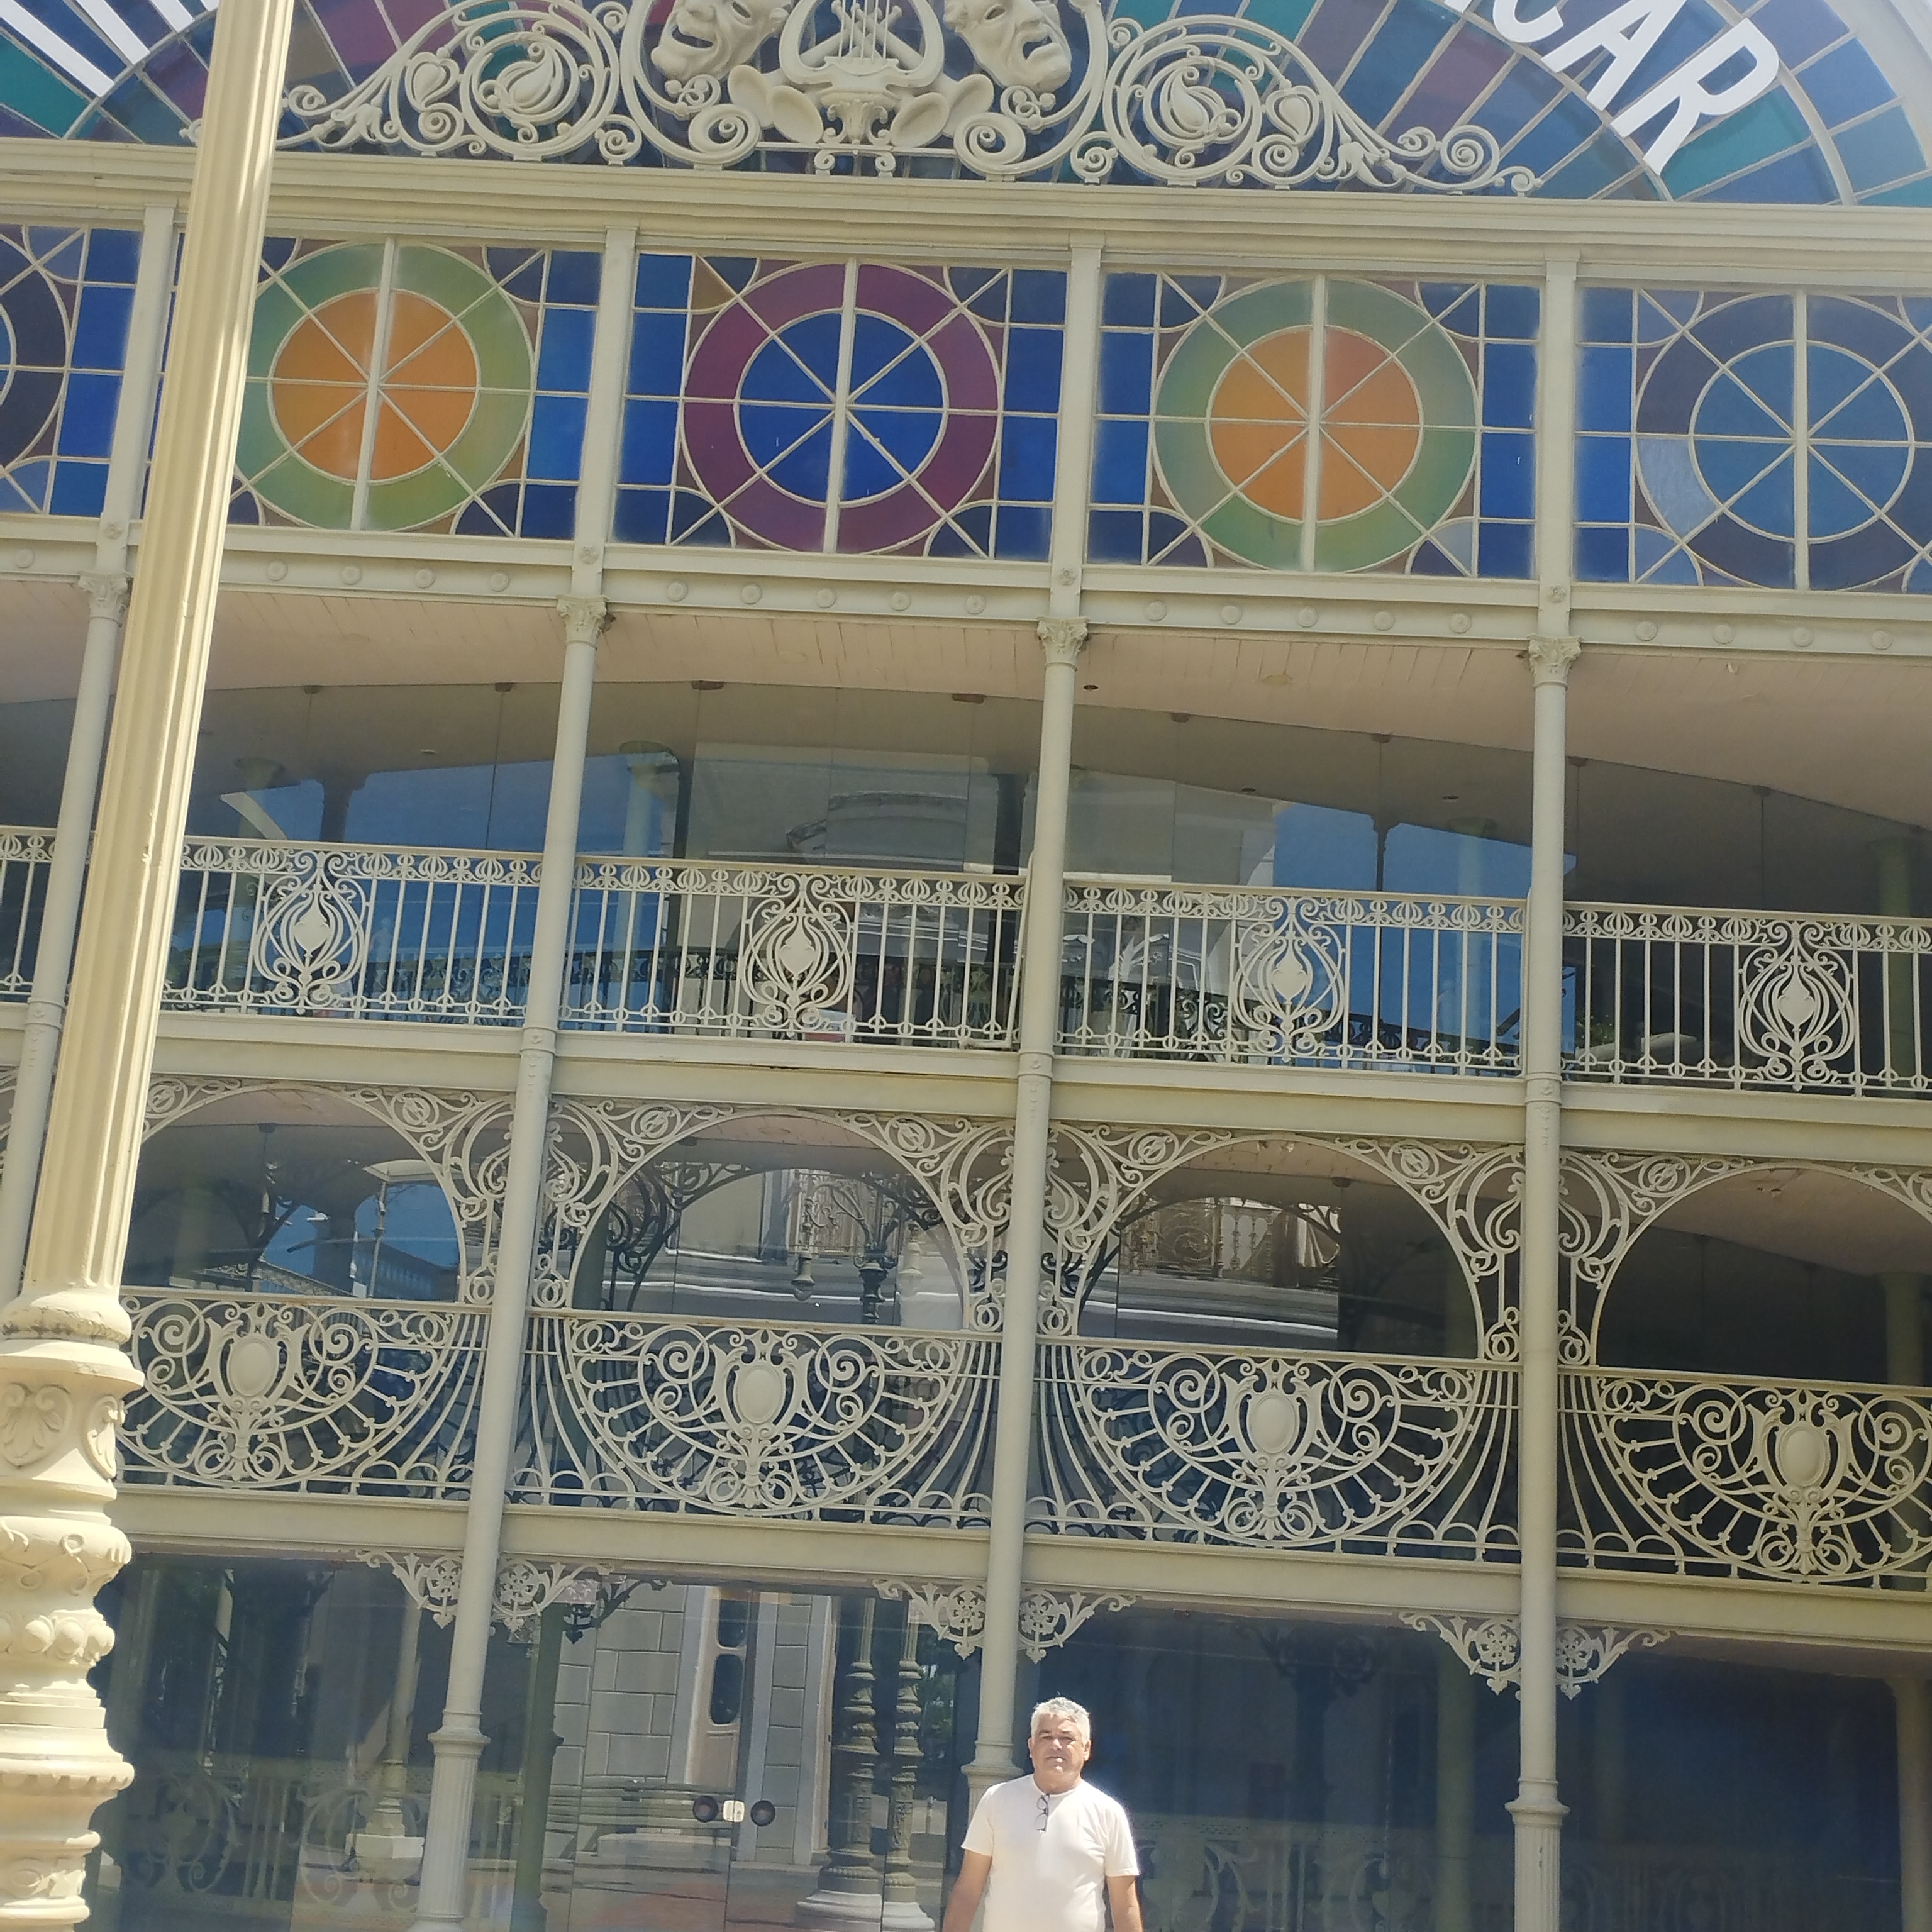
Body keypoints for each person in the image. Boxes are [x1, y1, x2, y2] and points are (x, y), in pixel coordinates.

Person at [940, 1697, 1143, 1932]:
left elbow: (1125, 1906)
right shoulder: (997, 1800)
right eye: (1046, 1737)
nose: (1056, 1745)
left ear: (1086, 1749)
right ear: (1031, 1746)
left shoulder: (1108, 1813)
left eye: (1067, 1738)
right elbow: (968, 1890)